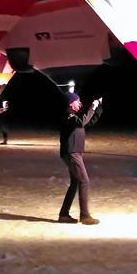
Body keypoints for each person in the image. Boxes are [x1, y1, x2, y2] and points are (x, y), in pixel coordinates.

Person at [57, 92, 103, 225]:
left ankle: (64, 215)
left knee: (75, 183)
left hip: (74, 152)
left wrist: (98, 107)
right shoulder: (68, 116)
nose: (80, 103)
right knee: (84, 181)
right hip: (71, 153)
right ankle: (85, 215)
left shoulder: (74, 117)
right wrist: (92, 108)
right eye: (78, 101)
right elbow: (83, 121)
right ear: (71, 103)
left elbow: (89, 121)